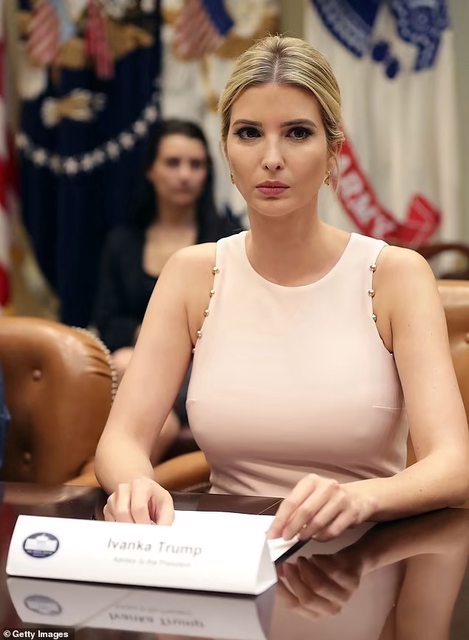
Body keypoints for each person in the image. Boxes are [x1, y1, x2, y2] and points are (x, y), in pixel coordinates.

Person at [94, 36, 469, 540]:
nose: (271, 158)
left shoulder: (395, 275)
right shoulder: (190, 274)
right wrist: (136, 484)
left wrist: (362, 498)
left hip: (361, 553)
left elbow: (453, 464)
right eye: (249, 133)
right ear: (226, 149)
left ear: (333, 152)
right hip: (223, 558)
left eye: (297, 133)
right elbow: (121, 440)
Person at [93, 119, 237, 460]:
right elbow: (106, 322)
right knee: (126, 364)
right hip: (138, 364)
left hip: (205, 369)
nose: (185, 175)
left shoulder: (228, 238)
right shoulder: (123, 242)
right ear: (150, 170)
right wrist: (155, 333)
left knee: (129, 367)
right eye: (173, 163)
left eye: (196, 164)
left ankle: (101, 479)